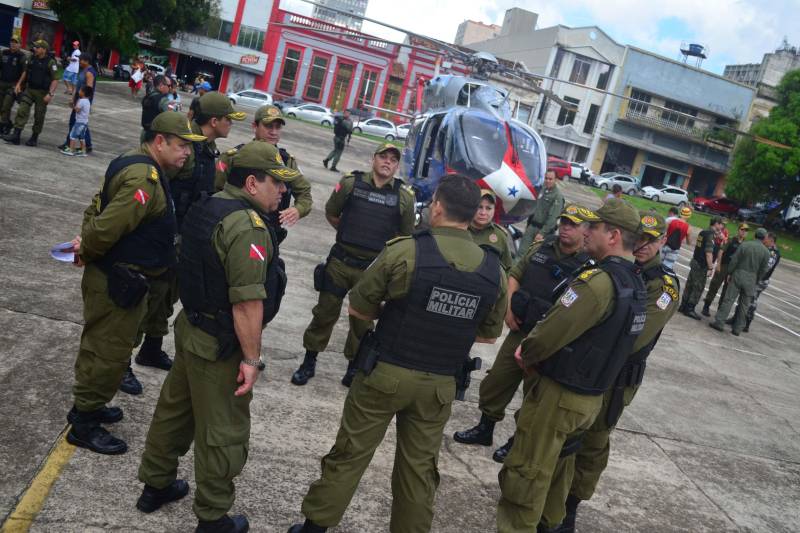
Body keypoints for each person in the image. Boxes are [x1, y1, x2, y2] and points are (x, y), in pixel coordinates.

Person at [288, 174, 508, 533]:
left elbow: (359, 306)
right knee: (419, 470)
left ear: (437, 206)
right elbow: (488, 332)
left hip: (385, 371)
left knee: (351, 454)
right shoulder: (492, 270)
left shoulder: (406, 250)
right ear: (472, 215)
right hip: (439, 384)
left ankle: (315, 527)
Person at [136, 141, 296, 533]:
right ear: (254, 184)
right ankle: (212, 517)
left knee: (174, 412)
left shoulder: (210, 206)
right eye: (277, 183)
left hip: (191, 329)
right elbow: (247, 304)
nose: (283, 192)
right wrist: (251, 359)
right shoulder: (248, 228)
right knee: (223, 431)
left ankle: (155, 485)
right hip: (220, 343)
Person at [496, 198, 647, 532]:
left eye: (594, 227)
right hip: (590, 397)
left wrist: (528, 351)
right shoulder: (634, 285)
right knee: (558, 476)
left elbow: (550, 332)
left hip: (560, 395)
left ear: (614, 236)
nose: (587, 232)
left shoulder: (598, 283)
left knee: (526, 474)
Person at [65, 112, 204, 455]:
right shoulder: (144, 179)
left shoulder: (138, 162)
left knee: (108, 347)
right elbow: (105, 227)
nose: (188, 153)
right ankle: (83, 423)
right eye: (182, 145)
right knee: (106, 351)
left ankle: (92, 407)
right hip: (116, 280)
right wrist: (88, 247)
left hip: (123, 279)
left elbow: (96, 206)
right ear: (160, 142)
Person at [546, 211, 680, 532]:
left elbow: (634, 338)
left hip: (618, 377)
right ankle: (551, 498)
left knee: (593, 441)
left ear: (662, 241)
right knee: (566, 436)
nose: (643, 246)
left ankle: (570, 506)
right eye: (641, 238)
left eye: (651, 240)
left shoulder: (664, 287)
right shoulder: (618, 270)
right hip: (590, 366)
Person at [453, 204, 591, 462]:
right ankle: (485, 427)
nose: (565, 228)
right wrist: (508, 309)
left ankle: (518, 440)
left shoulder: (588, 267)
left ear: (586, 232)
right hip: (520, 329)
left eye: (573, 224)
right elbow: (514, 276)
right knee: (497, 381)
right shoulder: (541, 249)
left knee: (534, 394)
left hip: (548, 342)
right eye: (564, 222)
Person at [132, 91, 246, 390]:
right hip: (163, 235)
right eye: (228, 120)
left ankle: (151, 348)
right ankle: (121, 362)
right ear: (214, 121)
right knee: (144, 298)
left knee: (167, 294)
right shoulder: (188, 148)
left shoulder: (206, 149)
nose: (231, 126)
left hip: (183, 238)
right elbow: (157, 187)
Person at [292, 143, 415, 387]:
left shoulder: (404, 197)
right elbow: (331, 213)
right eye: (383, 156)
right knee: (324, 314)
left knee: (362, 322)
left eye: (393, 159)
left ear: (397, 165)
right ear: (374, 159)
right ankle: (309, 362)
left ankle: (353, 368)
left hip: (372, 271)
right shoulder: (350, 183)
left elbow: (404, 236)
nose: (387, 162)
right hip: (340, 262)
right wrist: (350, 232)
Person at [215, 103, 313, 244]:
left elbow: (304, 192)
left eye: (277, 127)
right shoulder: (234, 157)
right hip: (235, 230)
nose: (274, 132)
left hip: (269, 233)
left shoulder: (286, 161)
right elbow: (216, 191)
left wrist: (298, 210)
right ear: (255, 126)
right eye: (268, 126)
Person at [709, 227, 771, 336]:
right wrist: (757, 279)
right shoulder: (766, 252)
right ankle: (737, 328)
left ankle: (719, 322)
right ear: (764, 238)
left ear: (754, 235)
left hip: (738, 274)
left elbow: (735, 260)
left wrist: (730, 272)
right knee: (744, 304)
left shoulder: (745, 245)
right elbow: (763, 269)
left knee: (729, 299)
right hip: (752, 278)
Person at [2, 39, 58, 146]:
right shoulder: (31, 58)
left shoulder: (51, 62)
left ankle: (34, 137)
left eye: (37, 47)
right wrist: (19, 84)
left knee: (39, 115)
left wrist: (50, 94)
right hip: (29, 90)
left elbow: (55, 79)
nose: (35, 49)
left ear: (44, 50)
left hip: (42, 93)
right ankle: (16, 135)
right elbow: (25, 72)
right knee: (22, 110)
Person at [679, 216, 724, 320]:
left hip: (695, 261)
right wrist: (710, 267)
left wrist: (719, 238)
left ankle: (683, 305)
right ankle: (690, 309)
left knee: (689, 284)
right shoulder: (710, 236)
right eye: (721, 224)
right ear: (716, 224)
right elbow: (708, 253)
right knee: (698, 287)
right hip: (702, 264)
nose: (722, 226)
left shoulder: (703, 232)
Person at [702, 223, 749, 316]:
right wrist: (718, 264)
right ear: (738, 230)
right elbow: (721, 251)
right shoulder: (731, 240)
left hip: (734, 270)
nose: (744, 232)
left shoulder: (745, 244)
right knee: (714, 285)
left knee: (727, 291)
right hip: (724, 265)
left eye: (746, 231)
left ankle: (720, 310)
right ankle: (706, 306)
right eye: (742, 230)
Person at [738, 231, 780, 332]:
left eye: (765, 238)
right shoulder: (767, 249)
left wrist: (755, 277)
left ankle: (746, 323)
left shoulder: (773, 252)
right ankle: (737, 318)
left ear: (771, 240)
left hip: (760, 280)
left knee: (752, 301)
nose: (764, 240)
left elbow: (766, 269)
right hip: (756, 278)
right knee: (744, 297)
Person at [518, 169, 564, 254]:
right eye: (546, 178)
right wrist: (528, 225)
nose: (547, 181)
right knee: (521, 252)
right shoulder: (542, 190)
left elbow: (553, 218)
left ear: (556, 180)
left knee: (535, 256)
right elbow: (534, 208)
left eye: (550, 179)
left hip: (543, 231)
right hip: (532, 226)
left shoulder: (557, 196)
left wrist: (542, 233)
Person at [59, 55, 96, 153]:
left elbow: (89, 89)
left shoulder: (89, 73)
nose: (79, 62)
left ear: (87, 61)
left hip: (83, 101)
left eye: (82, 60)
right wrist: (73, 98)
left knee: (77, 122)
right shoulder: (83, 70)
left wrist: (82, 102)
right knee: (79, 122)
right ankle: (85, 145)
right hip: (79, 99)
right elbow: (78, 85)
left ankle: (71, 144)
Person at [468, 189, 513, 272]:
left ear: (494, 210)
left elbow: (507, 268)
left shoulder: (500, 235)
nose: (483, 213)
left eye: (488, 208)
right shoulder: (461, 228)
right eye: (479, 207)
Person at [0, 37, 27, 135]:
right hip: (2, 82)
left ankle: (2, 127)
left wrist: (19, 84)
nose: (13, 44)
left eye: (16, 42)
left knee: (6, 106)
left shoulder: (22, 56)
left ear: (20, 44)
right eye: (12, 42)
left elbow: (25, 71)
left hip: (13, 85)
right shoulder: (4, 53)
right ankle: (7, 124)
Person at [60, 85, 92, 156]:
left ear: (83, 93)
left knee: (72, 135)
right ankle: (83, 151)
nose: (78, 91)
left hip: (79, 122)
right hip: (85, 122)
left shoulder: (81, 101)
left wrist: (72, 105)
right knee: (81, 137)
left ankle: (71, 150)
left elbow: (77, 110)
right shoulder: (88, 101)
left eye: (80, 90)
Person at [661, 206, 692, 270]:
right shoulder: (688, 227)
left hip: (665, 245)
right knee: (667, 267)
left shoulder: (671, 221)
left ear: (680, 214)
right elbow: (689, 243)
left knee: (658, 264)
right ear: (689, 216)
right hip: (674, 249)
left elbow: (664, 233)